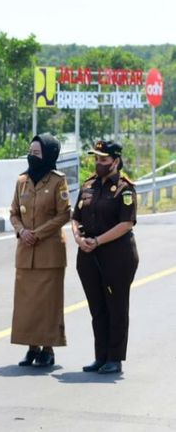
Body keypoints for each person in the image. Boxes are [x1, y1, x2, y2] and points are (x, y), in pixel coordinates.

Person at [72, 140, 138, 375]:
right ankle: (100, 356)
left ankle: (114, 358)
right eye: (96, 159)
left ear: (115, 161)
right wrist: (79, 239)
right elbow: (76, 217)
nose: (98, 163)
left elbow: (126, 223)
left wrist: (98, 240)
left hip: (116, 256)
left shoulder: (125, 188)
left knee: (116, 307)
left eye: (103, 159)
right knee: (97, 308)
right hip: (88, 255)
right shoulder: (89, 185)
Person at [9, 134, 71, 367]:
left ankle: (48, 348)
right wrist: (21, 231)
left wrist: (38, 233)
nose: (31, 156)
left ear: (49, 155)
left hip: (49, 252)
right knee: (26, 305)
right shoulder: (22, 180)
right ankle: (31, 347)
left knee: (48, 304)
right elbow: (13, 212)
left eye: (36, 153)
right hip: (25, 252)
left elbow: (64, 213)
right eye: (30, 152)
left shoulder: (57, 180)